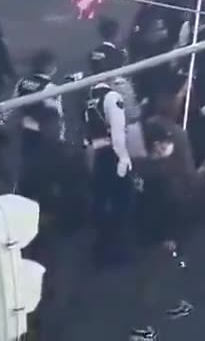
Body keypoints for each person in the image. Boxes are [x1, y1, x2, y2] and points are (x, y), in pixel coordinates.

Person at [130, 120, 196, 341]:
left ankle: (173, 303)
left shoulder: (139, 167)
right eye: (167, 141)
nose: (171, 144)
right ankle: (141, 328)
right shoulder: (162, 177)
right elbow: (171, 208)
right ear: (157, 145)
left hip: (141, 230)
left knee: (166, 271)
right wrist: (171, 237)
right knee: (152, 280)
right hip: (160, 237)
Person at [86, 79, 133, 267]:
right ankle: (118, 252)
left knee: (102, 200)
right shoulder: (112, 98)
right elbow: (117, 133)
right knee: (123, 203)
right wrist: (123, 158)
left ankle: (100, 248)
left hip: (98, 155)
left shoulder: (90, 101)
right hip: (112, 155)